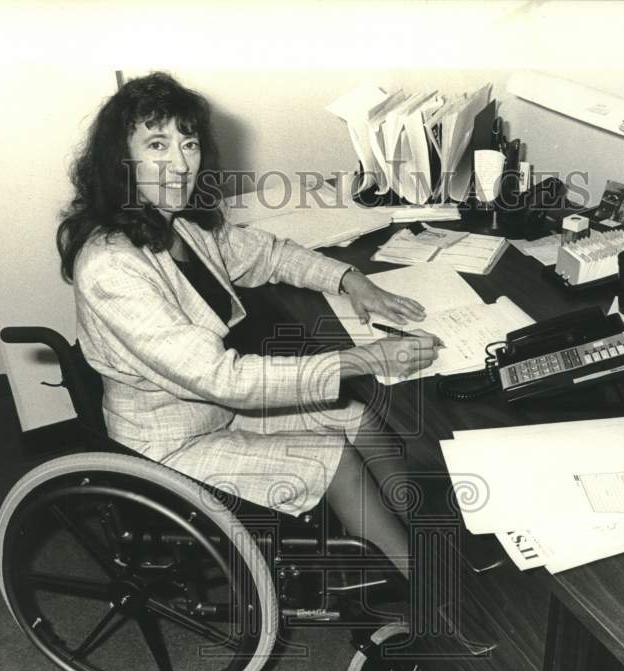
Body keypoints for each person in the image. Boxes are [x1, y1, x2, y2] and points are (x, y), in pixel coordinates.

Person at [57, 72, 441, 577]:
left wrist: (351, 280)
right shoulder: (110, 266)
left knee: (360, 421)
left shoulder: (177, 224)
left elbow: (267, 253)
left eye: (188, 143)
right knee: (335, 460)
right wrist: (362, 359)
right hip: (172, 446)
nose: (179, 163)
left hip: (213, 411)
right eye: (157, 144)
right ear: (120, 161)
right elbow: (225, 379)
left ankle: (432, 542)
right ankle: (428, 594)